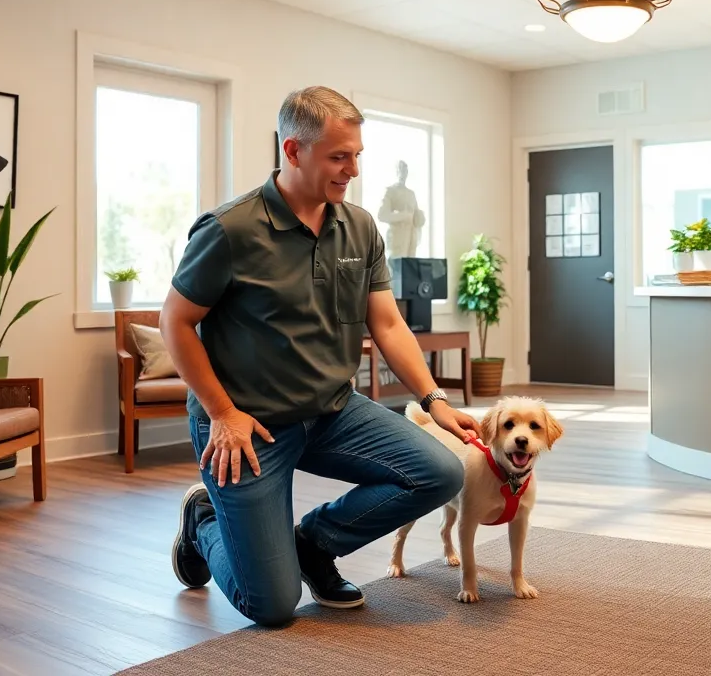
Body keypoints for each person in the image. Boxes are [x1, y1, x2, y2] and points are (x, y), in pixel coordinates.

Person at [159, 86, 479, 627]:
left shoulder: (358, 225)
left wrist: (434, 397)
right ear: (292, 151)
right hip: (246, 425)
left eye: (356, 155)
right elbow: (175, 321)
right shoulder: (230, 229)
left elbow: (387, 322)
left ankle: (312, 544)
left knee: (441, 473)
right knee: (272, 605)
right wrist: (221, 413)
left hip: (332, 411)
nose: (352, 168)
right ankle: (203, 522)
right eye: (338, 156)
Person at [376, 159, 425, 260]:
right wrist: (402, 215)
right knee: (396, 270)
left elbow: (416, 216)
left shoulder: (411, 194)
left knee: (409, 269)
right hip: (397, 238)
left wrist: (420, 217)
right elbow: (382, 215)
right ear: (396, 172)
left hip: (411, 238)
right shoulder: (390, 191)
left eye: (405, 171)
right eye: (400, 170)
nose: (403, 174)